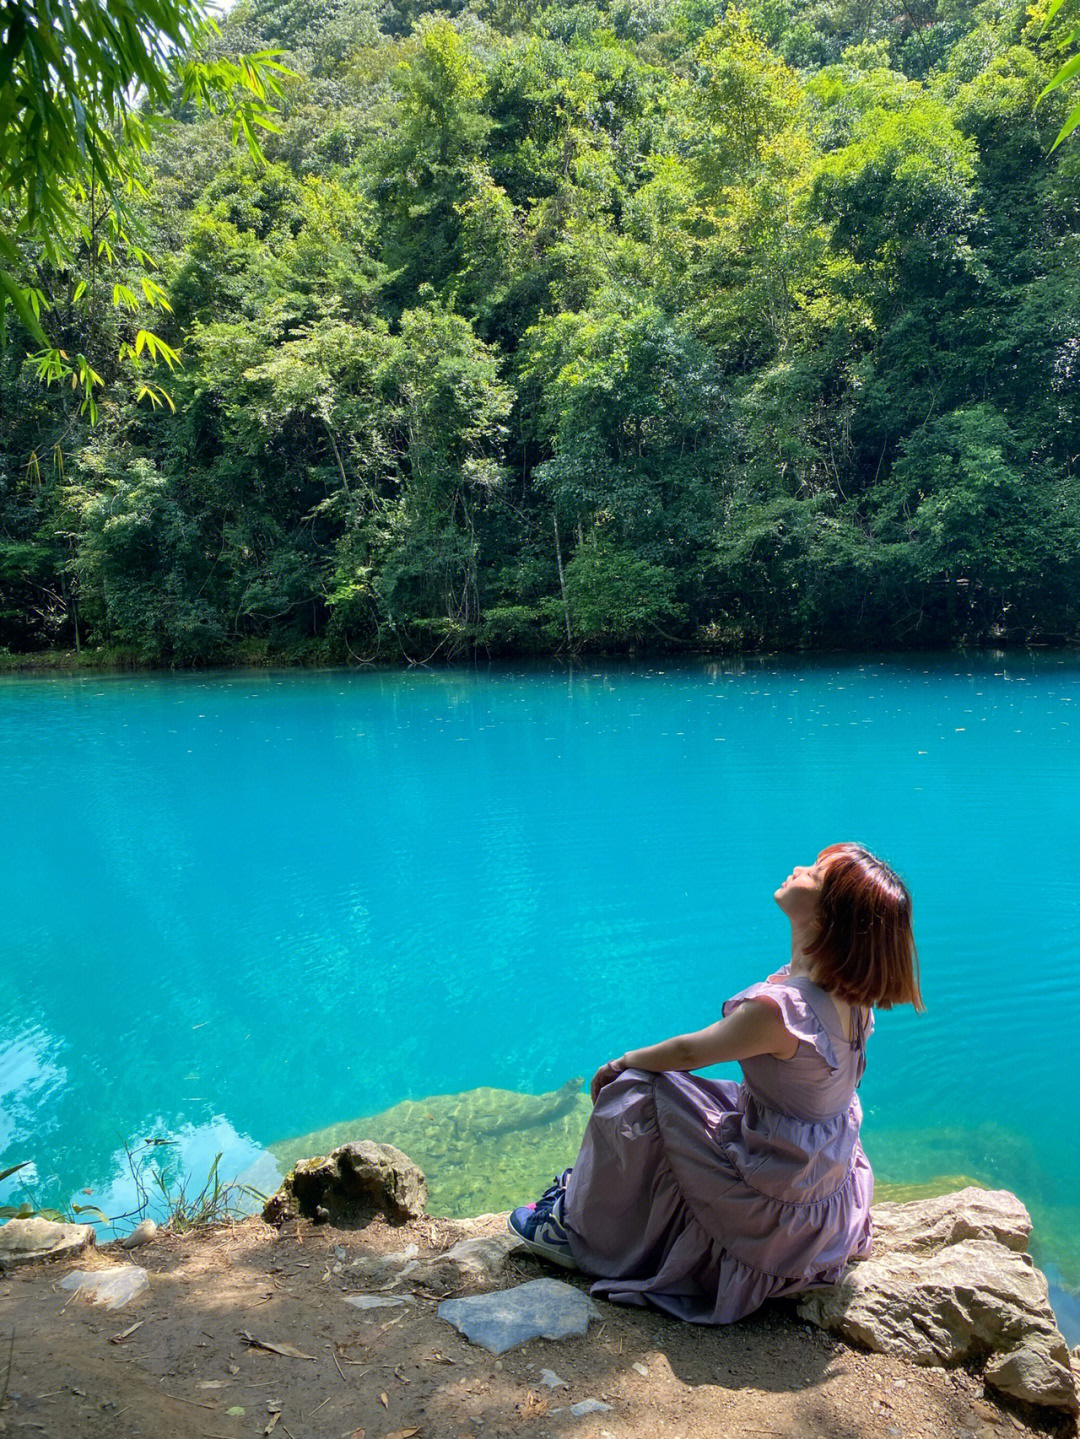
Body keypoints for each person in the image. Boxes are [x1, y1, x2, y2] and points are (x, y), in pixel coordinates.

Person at [507, 843, 923, 1324]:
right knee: (714, 1098)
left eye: (815, 873)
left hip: (772, 1215)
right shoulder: (853, 999)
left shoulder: (783, 1012)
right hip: (821, 1206)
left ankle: (577, 1229)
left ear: (830, 916)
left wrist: (621, 1063)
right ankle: (596, 1199)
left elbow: (688, 1053)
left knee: (638, 1090)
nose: (798, 867)